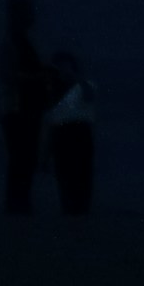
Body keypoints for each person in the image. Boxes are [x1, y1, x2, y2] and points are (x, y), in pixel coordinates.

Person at [0, 0, 57, 222]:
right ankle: (17, 207)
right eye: (27, 12)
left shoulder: (20, 41)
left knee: (24, 160)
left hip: (25, 110)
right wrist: (40, 76)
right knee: (22, 160)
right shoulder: (12, 43)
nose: (32, 16)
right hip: (17, 110)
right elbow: (9, 77)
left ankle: (19, 206)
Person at [40, 49, 99, 220]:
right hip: (62, 133)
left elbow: (89, 96)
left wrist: (74, 77)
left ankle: (80, 211)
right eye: (59, 67)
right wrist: (44, 154)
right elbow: (49, 121)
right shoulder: (51, 90)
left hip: (80, 132)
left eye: (65, 66)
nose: (62, 70)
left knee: (82, 175)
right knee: (65, 174)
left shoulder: (84, 85)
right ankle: (70, 211)